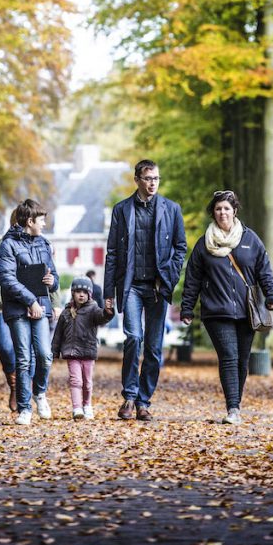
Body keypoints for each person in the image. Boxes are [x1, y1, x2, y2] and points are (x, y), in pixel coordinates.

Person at [181, 189, 273, 425]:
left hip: (247, 311)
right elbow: (192, 278)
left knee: (241, 360)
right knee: (229, 356)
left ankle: (236, 402)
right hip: (217, 311)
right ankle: (232, 408)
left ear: (234, 211)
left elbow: (263, 270)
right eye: (218, 209)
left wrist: (272, 296)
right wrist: (187, 308)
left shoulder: (250, 239)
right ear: (213, 213)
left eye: (226, 208)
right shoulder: (204, 244)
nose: (222, 212)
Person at [103, 158, 187, 422]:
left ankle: (143, 401)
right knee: (133, 338)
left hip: (158, 288)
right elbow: (113, 253)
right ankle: (129, 395)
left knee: (153, 347)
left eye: (156, 179)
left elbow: (180, 247)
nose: (153, 184)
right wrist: (108, 293)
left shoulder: (172, 209)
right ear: (137, 179)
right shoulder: (121, 210)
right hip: (131, 287)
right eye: (148, 178)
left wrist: (170, 277)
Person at [0, 208, 63, 413]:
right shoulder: (7, 245)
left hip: (40, 307)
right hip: (16, 308)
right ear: (30, 221)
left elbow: (53, 274)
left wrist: (52, 281)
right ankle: (24, 408)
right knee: (23, 358)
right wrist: (29, 302)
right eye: (41, 220)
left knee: (44, 355)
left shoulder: (44, 243)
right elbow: (5, 278)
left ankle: (39, 392)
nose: (45, 225)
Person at [51, 276, 115, 420]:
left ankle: (87, 405)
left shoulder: (93, 309)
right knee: (75, 381)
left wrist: (108, 311)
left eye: (84, 292)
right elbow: (58, 334)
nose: (81, 294)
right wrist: (54, 350)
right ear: (73, 293)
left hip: (88, 352)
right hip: (72, 353)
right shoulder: (66, 312)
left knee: (87, 382)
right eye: (78, 291)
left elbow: (102, 317)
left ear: (89, 295)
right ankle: (77, 408)